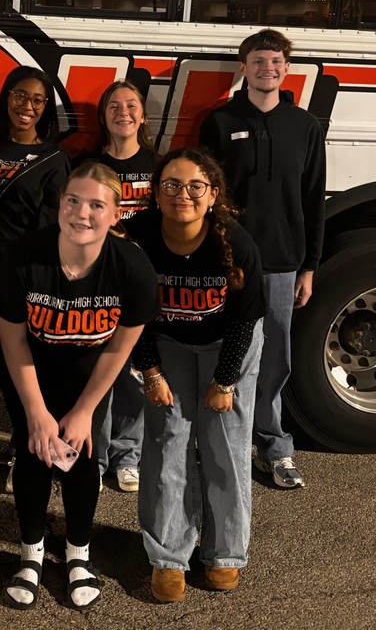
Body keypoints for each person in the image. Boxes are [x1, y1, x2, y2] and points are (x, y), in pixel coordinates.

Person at [0, 162, 158, 612]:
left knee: (83, 455)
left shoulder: (132, 267)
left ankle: (78, 554)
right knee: (32, 451)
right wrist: (36, 411)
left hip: (90, 373)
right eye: (73, 201)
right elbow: (12, 338)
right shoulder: (24, 257)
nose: (82, 213)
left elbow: (119, 349)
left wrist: (85, 409)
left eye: (96, 205)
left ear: (116, 214)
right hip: (31, 367)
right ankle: (30, 554)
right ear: (60, 204)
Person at [126, 148, 266, 603]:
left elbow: (244, 322)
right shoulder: (140, 235)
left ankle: (225, 554)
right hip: (166, 343)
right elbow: (135, 315)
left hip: (227, 343)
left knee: (224, 441)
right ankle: (168, 557)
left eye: (193, 186)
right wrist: (151, 374)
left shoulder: (236, 242)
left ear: (212, 196)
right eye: (170, 185)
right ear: (156, 193)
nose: (181, 194)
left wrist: (224, 383)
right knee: (168, 440)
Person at [199, 28, 325, 489]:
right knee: (219, 351)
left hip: (282, 265)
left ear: (286, 69)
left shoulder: (306, 127)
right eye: (258, 61)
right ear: (243, 67)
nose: (267, 68)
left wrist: (309, 266)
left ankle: (274, 447)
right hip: (227, 262)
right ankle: (212, 444)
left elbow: (314, 200)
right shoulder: (218, 122)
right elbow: (205, 193)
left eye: (275, 62)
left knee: (274, 359)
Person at [0, 65, 70, 500]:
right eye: (20, 96)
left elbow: (52, 230)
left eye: (38, 100)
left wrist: (24, 282)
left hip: (27, 289)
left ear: (46, 109)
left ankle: (25, 452)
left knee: (30, 376)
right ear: (6, 99)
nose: (28, 106)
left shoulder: (55, 159)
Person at [92, 80, 157, 493]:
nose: (123, 112)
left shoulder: (159, 165)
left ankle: (127, 455)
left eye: (131, 105)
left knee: (135, 373)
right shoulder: (89, 166)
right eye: (114, 105)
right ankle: (93, 458)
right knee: (99, 372)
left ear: (143, 115)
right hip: (100, 281)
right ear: (104, 116)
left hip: (143, 281)